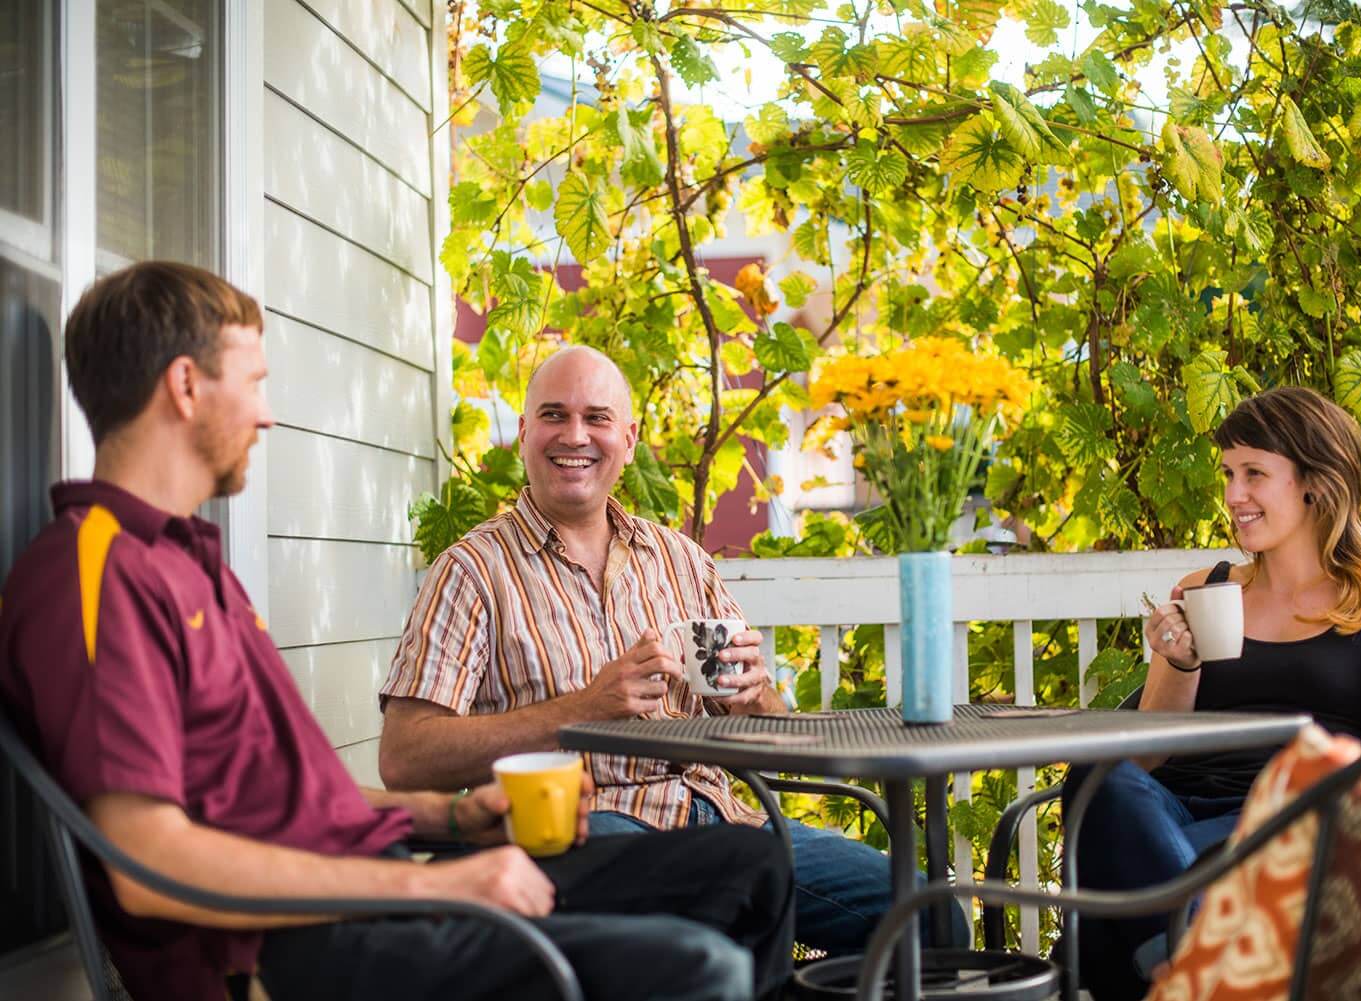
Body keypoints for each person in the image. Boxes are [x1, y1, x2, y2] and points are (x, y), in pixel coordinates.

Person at [0, 263, 795, 1001]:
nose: (268, 413)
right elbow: (146, 861)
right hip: (291, 948)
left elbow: (287, 796)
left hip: (365, 891)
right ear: (185, 386)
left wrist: (454, 821)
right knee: (699, 966)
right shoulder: (97, 574)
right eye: (253, 383)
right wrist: (436, 882)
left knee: (753, 863)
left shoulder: (190, 564)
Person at [380, 344, 953, 956]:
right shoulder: (472, 570)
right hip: (591, 831)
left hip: (731, 819)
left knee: (929, 920)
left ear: (628, 440)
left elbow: (773, 737)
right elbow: (405, 759)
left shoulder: (681, 559)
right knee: (705, 940)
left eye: (597, 418)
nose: (575, 435)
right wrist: (583, 709)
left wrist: (755, 693)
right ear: (523, 434)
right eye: (554, 415)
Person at [1063, 386, 1361, 1001]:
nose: (1232, 496)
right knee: (1100, 777)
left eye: (1254, 474)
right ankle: (1205, 954)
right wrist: (1181, 662)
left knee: (1120, 906)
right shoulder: (1206, 587)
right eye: (1228, 474)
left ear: (1315, 483)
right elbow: (1145, 758)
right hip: (1175, 821)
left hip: (1295, 825)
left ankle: (1178, 954)